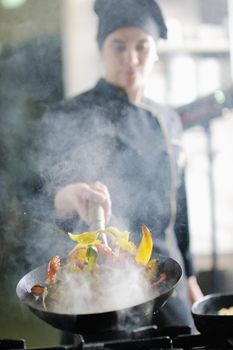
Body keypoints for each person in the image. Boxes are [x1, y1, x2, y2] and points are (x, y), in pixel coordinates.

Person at [28, 0, 203, 330]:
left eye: (142, 46)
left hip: (166, 279)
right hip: (95, 285)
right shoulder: (71, 114)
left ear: (155, 52)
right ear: (101, 49)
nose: (131, 58)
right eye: (118, 46)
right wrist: (67, 194)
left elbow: (180, 206)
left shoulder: (168, 120)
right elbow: (35, 193)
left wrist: (190, 276)